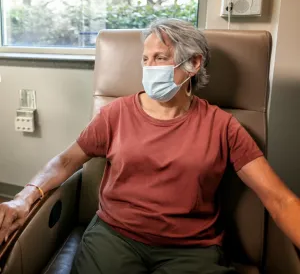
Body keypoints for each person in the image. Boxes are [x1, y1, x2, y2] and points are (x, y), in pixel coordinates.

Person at [0, 19, 299, 274]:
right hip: (115, 236)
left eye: (160, 58)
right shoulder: (116, 114)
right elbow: (65, 161)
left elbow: (279, 199)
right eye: (145, 59)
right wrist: (23, 199)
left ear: (193, 64)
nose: (149, 67)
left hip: (191, 248)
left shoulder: (223, 127)